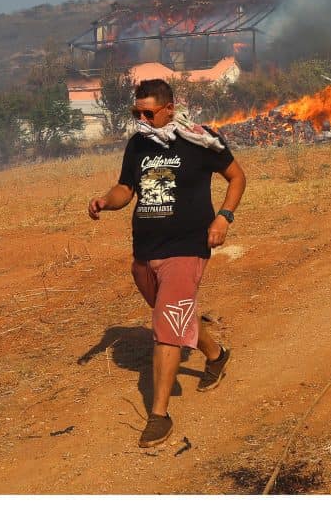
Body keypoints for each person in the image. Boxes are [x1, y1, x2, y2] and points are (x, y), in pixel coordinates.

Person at [88, 78, 247, 448]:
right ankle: (216, 355)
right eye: (136, 113)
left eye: (148, 113)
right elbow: (126, 189)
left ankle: (159, 416)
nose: (141, 119)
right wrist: (105, 201)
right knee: (173, 314)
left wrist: (224, 218)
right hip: (146, 251)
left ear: (170, 108)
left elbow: (237, 177)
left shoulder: (200, 140)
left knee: (165, 328)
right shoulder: (138, 144)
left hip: (187, 247)